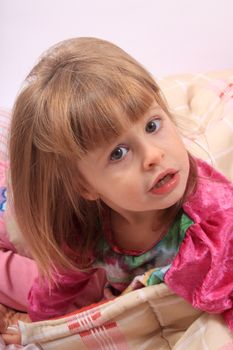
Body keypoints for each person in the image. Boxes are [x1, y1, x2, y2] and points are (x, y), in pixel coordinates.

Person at [0, 37, 233, 338]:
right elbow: (57, 288)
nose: (153, 156)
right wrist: (41, 330)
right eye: (118, 153)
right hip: (19, 204)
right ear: (85, 186)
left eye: (152, 125)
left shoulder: (214, 219)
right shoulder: (82, 225)